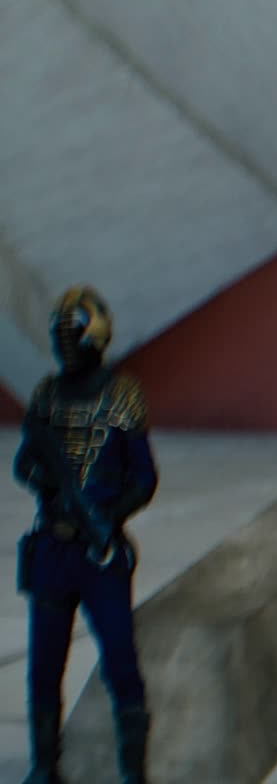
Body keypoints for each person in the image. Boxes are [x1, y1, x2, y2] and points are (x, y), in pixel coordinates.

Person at [14, 287, 157, 784]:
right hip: (53, 548)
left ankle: (133, 773)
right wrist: (49, 482)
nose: (65, 344)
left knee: (121, 661)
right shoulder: (46, 395)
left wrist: (107, 517)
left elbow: (144, 478)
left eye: (72, 334)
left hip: (101, 554)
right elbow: (25, 462)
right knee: (43, 667)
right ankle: (44, 766)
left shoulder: (122, 395)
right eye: (60, 335)